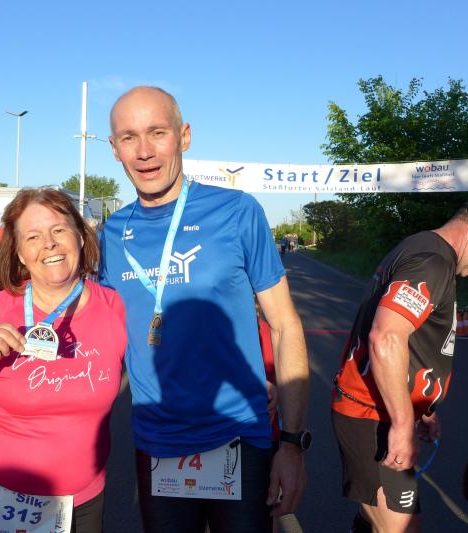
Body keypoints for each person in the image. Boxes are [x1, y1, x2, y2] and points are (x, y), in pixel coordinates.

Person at [100, 86, 310, 532]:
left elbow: (285, 325)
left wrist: (291, 444)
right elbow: (97, 335)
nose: (144, 151)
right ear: (115, 149)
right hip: (157, 443)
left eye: (158, 132)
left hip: (238, 435)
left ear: (185, 136)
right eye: (129, 137)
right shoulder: (111, 234)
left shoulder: (238, 211)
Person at [0, 188, 126, 533]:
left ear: (80, 236)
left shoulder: (115, 308)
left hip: (80, 503)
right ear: (19, 254)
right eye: (33, 236)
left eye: (59, 230)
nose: (49, 243)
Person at [331, 194, 468, 532]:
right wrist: (402, 422)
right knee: (402, 527)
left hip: (382, 411)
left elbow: (412, 342)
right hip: (371, 414)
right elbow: (386, 337)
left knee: (382, 520)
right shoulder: (432, 261)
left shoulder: (424, 249)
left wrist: (420, 406)